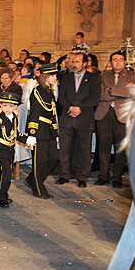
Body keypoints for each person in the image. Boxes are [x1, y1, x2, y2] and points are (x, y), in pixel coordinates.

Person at [56, 52, 101, 187]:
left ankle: (82, 177)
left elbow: (95, 97)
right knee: (65, 148)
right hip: (67, 117)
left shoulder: (94, 78)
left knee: (84, 149)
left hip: (84, 118)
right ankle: (64, 175)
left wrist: (79, 108)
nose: (74, 64)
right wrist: (70, 108)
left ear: (85, 64)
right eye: (73, 62)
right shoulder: (65, 78)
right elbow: (61, 97)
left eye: (77, 62)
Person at [94, 51, 135, 188]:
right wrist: (121, 91)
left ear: (125, 62)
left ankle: (117, 177)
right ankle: (103, 175)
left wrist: (111, 90)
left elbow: (133, 93)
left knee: (120, 148)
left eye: (120, 59)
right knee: (103, 146)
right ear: (110, 62)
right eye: (114, 60)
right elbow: (100, 96)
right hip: (104, 115)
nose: (117, 62)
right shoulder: (103, 76)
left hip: (123, 115)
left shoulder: (133, 76)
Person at [0, 92, 32, 208]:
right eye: (5, 105)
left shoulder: (14, 118)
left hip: (10, 150)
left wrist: (27, 139)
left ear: (15, 107)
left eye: (11, 106)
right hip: (0, 149)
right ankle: (2, 197)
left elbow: (15, 134)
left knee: (3, 173)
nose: (8, 108)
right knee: (6, 173)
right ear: (0, 105)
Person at [23, 63, 59, 198]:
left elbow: (53, 113)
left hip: (49, 130)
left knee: (54, 158)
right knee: (40, 161)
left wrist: (55, 133)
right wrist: (32, 133)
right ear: (46, 76)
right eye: (53, 75)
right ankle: (38, 189)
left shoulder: (50, 91)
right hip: (39, 130)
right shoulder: (37, 91)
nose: (56, 78)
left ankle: (32, 179)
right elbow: (34, 112)